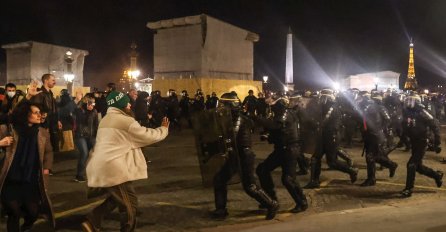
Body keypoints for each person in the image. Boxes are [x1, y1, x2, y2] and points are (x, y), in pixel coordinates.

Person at [81, 91, 169, 232]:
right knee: (130, 202)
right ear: (120, 105)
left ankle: (93, 220)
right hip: (114, 167)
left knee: (117, 198)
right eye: (127, 103)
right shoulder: (125, 121)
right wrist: (163, 129)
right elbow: (147, 136)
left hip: (103, 165)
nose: (130, 105)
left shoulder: (106, 119)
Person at [211, 92, 279, 220]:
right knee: (219, 180)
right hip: (237, 155)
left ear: (230, 105)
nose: (220, 107)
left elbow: (230, 139)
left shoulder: (238, 119)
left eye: (223, 104)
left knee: (250, 187)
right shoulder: (233, 117)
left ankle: (272, 204)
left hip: (243, 155)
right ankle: (221, 210)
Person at [0, 101, 55, 231]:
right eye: (35, 113)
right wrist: (0, 143)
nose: (39, 115)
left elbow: (48, 151)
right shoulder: (7, 130)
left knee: (33, 212)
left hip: (30, 180)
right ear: (25, 114)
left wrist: (46, 168)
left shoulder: (42, 133)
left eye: (40, 113)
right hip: (10, 180)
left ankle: (26, 226)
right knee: (14, 213)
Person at [255, 94, 308, 213]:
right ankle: (270, 199)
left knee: (288, 179)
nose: (271, 107)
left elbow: (275, 125)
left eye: (273, 104)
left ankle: (302, 202)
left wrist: (256, 118)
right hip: (281, 150)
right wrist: (269, 137)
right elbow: (280, 131)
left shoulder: (284, 113)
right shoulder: (281, 114)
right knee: (262, 170)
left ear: (279, 104)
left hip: (289, 150)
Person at [400, 94, 443, 197]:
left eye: (411, 100)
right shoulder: (408, 112)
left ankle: (408, 189)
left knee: (411, 164)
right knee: (418, 167)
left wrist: (437, 142)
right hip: (414, 141)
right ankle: (437, 175)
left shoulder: (422, 112)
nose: (408, 102)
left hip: (422, 141)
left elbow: (435, 125)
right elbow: (407, 126)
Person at [28, 74, 62, 153]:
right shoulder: (39, 93)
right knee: (42, 145)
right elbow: (36, 109)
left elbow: (54, 109)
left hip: (51, 123)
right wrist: (43, 120)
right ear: (46, 81)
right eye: (53, 80)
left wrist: (58, 120)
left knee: (50, 146)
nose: (55, 82)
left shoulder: (50, 93)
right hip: (43, 124)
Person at [73, 97, 98, 183]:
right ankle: (79, 175)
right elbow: (80, 120)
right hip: (80, 135)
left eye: (93, 103)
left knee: (92, 154)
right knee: (84, 153)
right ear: (85, 103)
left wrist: (97, 135)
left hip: (91, 136)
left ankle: (91, 173)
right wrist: (84, 108)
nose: (92, 105)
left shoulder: (94, 112)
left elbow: (96, 124)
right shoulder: (80, 111)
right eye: (90, 103)